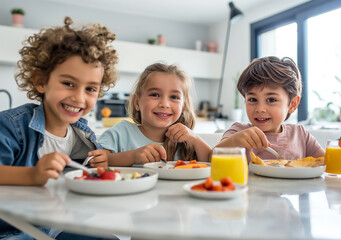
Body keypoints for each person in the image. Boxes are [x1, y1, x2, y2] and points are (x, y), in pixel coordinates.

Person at [0, 17, 118, 239]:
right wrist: (33, 175)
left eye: (91, 88)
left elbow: (97, 168)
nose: (79, 97)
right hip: (16, 232)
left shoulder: (83, 133)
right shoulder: (13, 126)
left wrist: (105, 161)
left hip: (60, 227)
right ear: (41, 81)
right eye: (68, 83)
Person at [99, 63, 212, 166]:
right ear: (137, 102)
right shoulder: (121, 132)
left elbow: (213, 165)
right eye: (155, 95)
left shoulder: (187, 141)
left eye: (174, 97)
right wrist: (133, 156)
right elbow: (96, 162)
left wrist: (196, 139)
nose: (164, 104)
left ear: (183, 106)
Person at [215, 56, 325, 161]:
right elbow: (212, 158)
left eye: (271, 100)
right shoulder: (238, 132)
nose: (260, 109)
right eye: (253, 99)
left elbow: (327, 163)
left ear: (292, 104)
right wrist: (235, 141)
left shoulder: (300, 135)